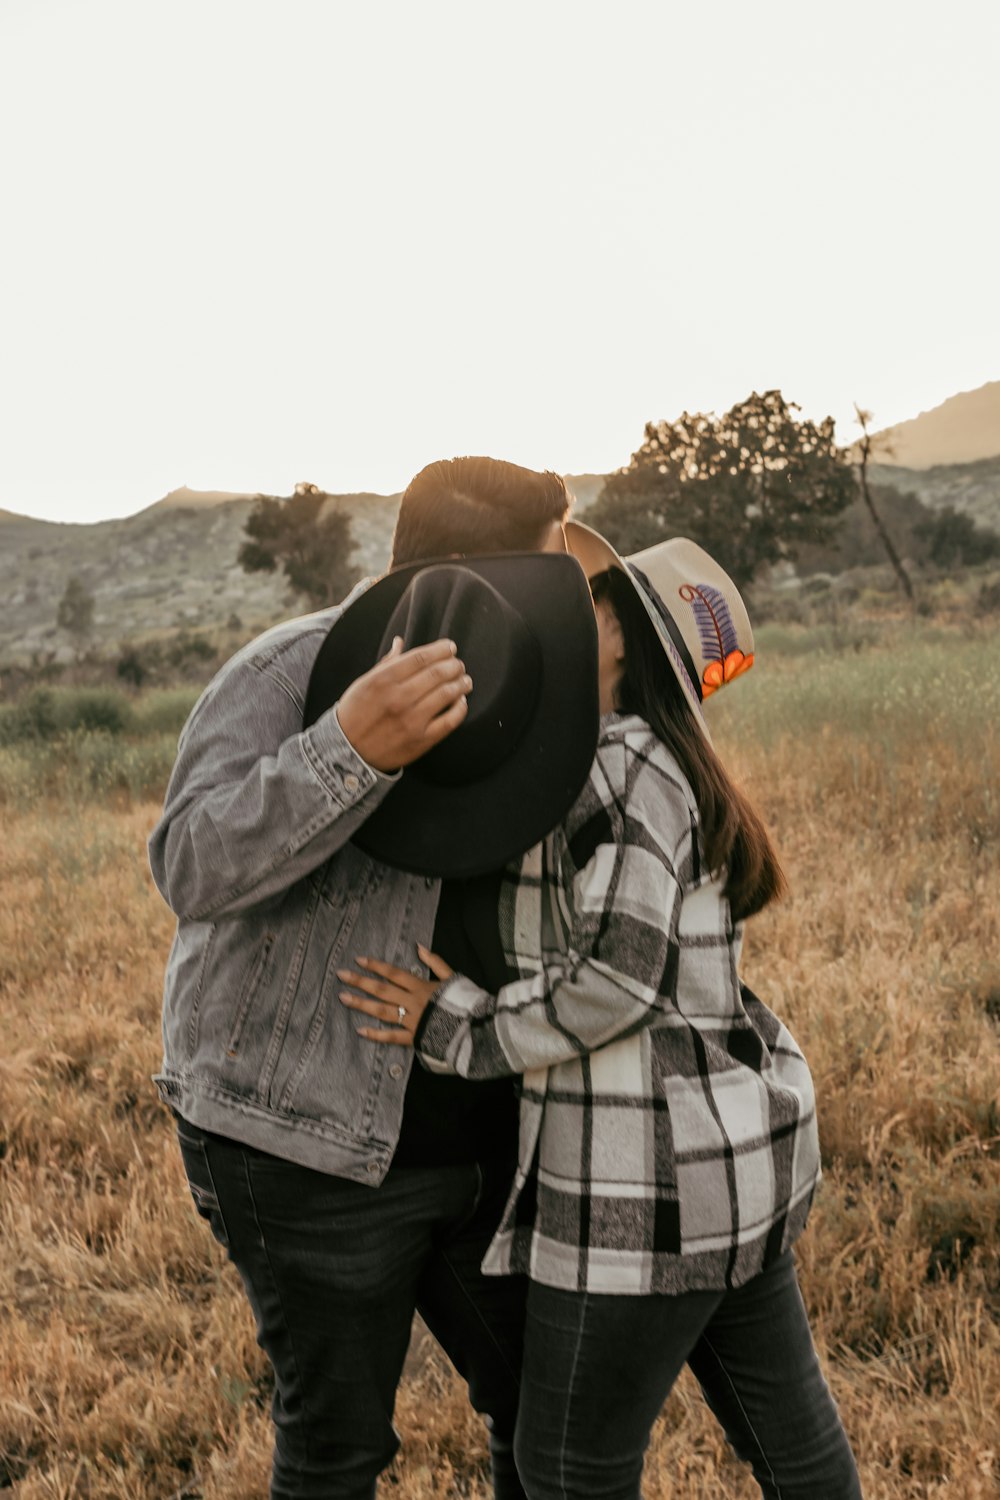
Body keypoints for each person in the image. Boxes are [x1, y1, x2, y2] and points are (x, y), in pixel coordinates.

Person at [337, 522, 864, 1500]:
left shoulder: (617, 766)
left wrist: (450, 1023)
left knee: (566, 1469)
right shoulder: (677, 764)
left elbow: (617, 981)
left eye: (585, 603)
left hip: (640, 1193)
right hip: (736, 1176)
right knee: (796, 1452)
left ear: (618, 633)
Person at [147, 457, 601, 1500]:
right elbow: (190, 867)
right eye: (536, 574)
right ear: (457, 571)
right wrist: (350, 749)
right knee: (338, 1451)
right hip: (299, 1144)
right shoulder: (282, 674)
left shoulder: (540, 676)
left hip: (492, 1138)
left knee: (546, 1421)